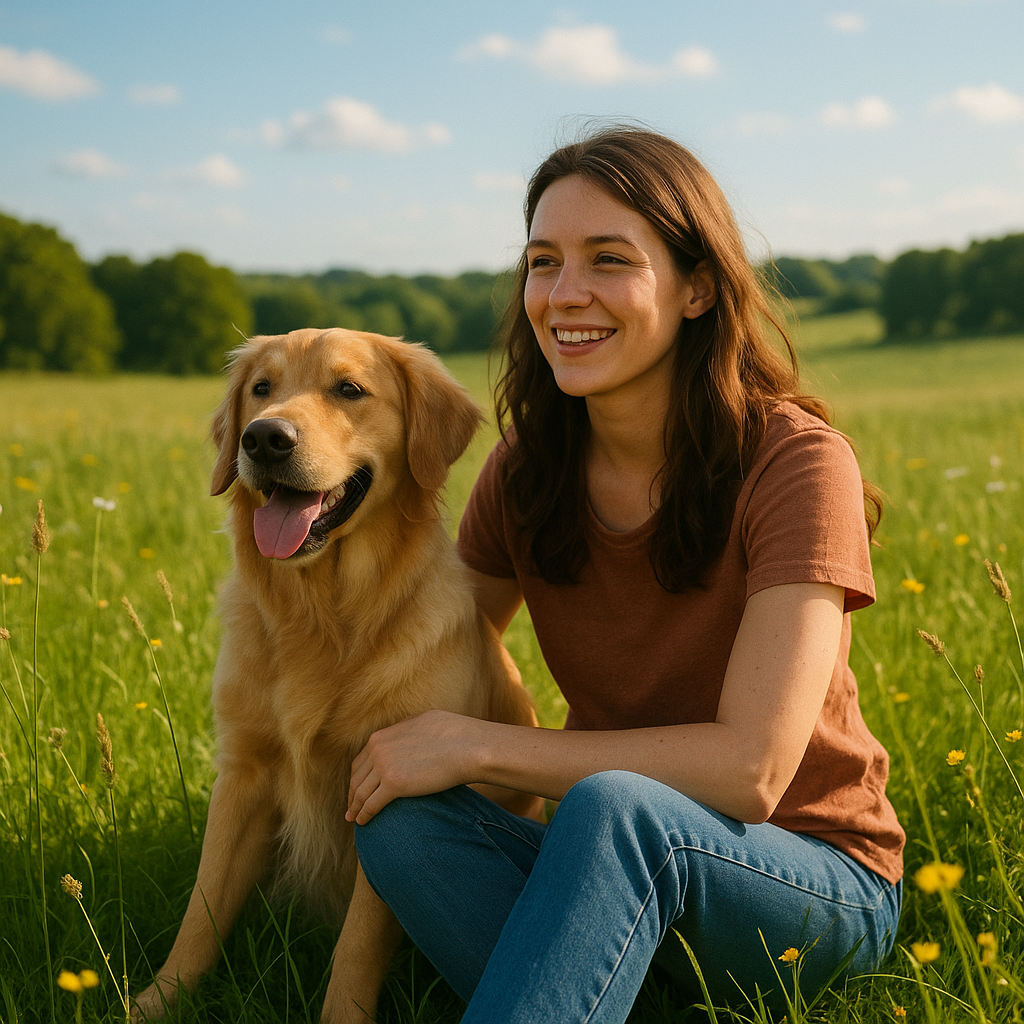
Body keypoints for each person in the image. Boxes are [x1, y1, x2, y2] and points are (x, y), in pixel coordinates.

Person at [346, 126, 904, 1022]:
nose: (565, 295)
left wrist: (482, 746)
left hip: (810, 878)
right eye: (542, 261)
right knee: (406, 824)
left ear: (698, 288)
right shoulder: (527, 471)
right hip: (608, 865)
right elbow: (432, 643)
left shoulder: (797, 463)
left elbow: (751, 771)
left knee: (614, 809)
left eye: (610, 260)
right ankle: (607, 991)